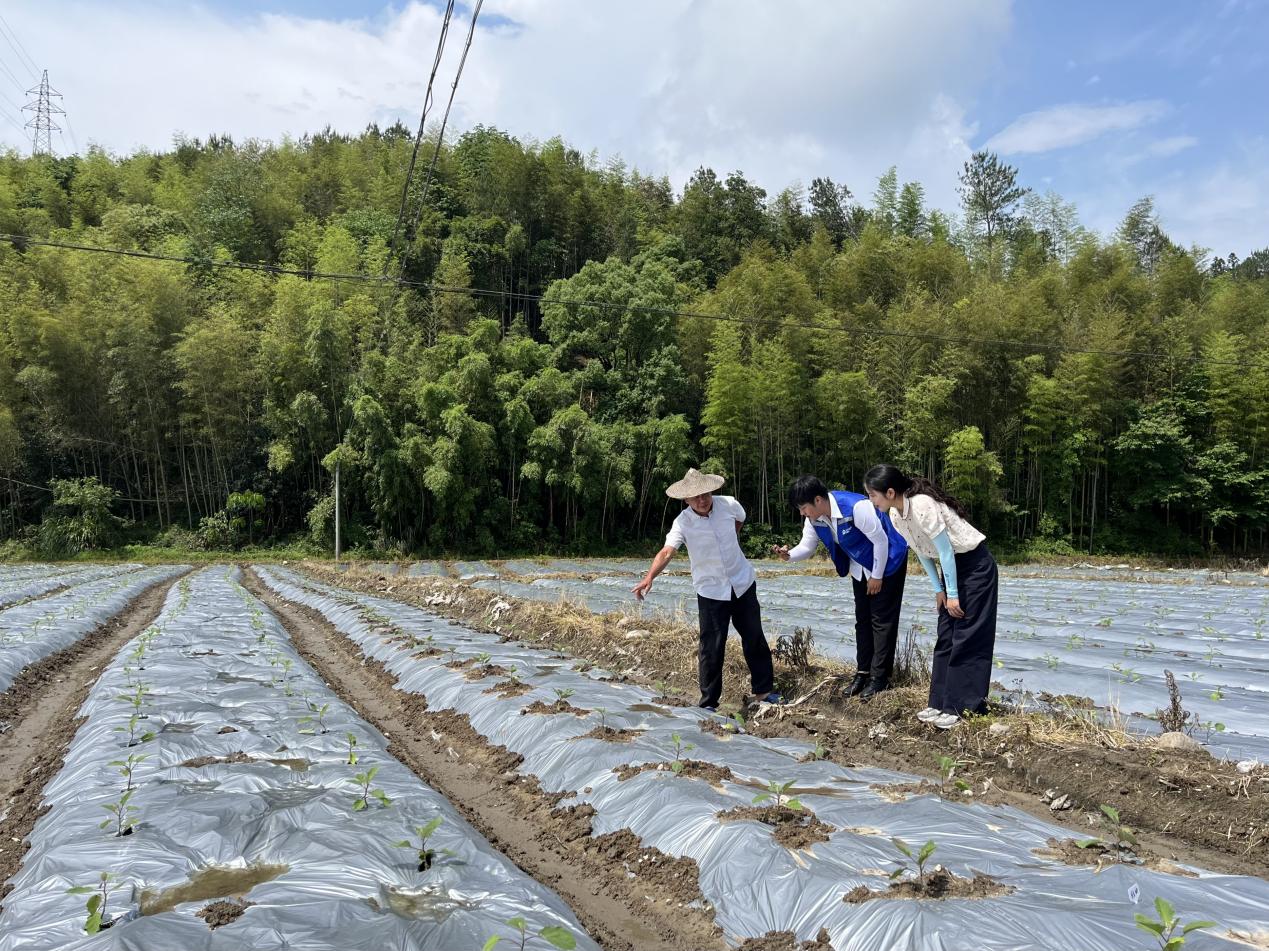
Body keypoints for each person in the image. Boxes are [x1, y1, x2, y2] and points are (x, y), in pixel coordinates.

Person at [633, 468, 781, 711]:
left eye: (706, 495)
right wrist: (650, 576)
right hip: (711, 590)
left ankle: (764, 692)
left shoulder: (729, 505)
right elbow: (667, 551)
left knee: (754, 637)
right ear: (686, 500)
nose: (702, 501)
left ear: (712, 491)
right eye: (696, 497)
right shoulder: (682, 523)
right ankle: (709, 703)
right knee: (711, 647)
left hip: (741, 582)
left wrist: (729, 540)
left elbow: (740, 519)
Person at [863, 464, 998, 730]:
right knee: (946, 633)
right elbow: (923, 554)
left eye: (872, 495)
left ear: (890, 492)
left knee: (968, 634)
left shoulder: (922, 505)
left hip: (974, 566)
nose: (871, 501)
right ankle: (940, 703)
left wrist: (954, 595)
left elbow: (946, 551)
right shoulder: (895, 516)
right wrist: (939, 590)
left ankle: (963, 707)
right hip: (952, 571)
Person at [773, 475, 909, 700]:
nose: (802, 513)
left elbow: (881, 541)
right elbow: (806, 547)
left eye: (804, 508)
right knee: (862, 620)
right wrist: (788, 556)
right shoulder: (814, 519)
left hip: (888, 561)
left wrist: (877, 576)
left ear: (818, 500)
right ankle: (862, 673)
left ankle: (880, 679)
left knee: (881, 621)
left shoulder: (857, 507)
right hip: (859, 567)